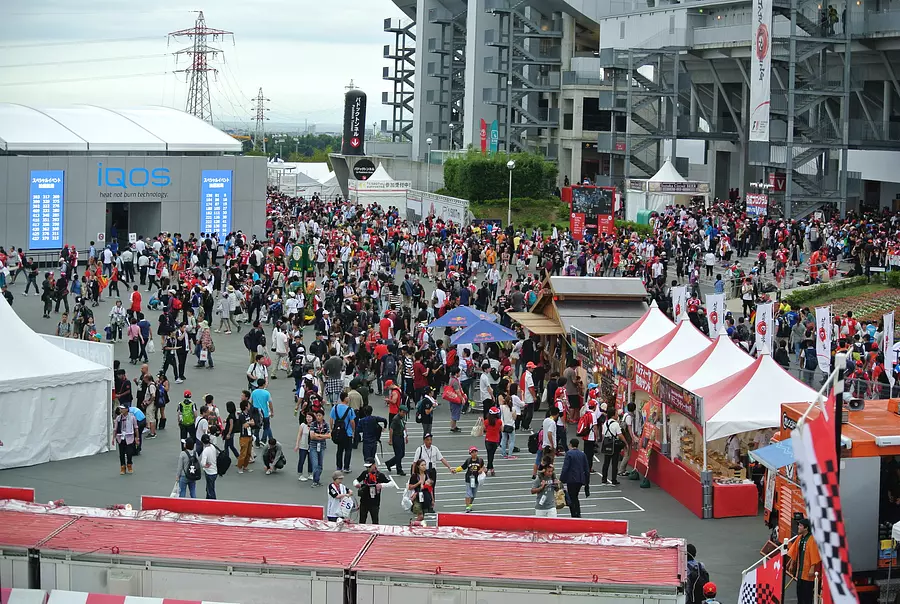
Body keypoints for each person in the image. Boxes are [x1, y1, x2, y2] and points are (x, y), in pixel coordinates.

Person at [787, 518, 822, 604]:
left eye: (800, 525)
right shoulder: (799, 538)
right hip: (800, 572)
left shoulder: (811, 540)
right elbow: (794, 551)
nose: (798, 527)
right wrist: (792, 563)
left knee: (807, 596)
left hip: (808, 574)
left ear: (806, 528)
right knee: (799, 594)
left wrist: (812, 568)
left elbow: (814, 555)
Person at [412, 433, 456, 498]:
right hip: (424, 471)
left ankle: (432, 503)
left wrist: (449, 467)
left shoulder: (435, 449)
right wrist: (413, 473)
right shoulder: (420, 449)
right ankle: (423, 503)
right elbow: (415, 462)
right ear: (424, 441)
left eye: (430, 440)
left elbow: (442, 459)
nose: (430, 441)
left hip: (432, 471)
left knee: (432, 487)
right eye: (428, 440)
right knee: (423, 487)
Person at [560, 438, 590, 518]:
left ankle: (574, 514)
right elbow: (586, 469)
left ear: (570, 445)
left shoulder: (569, 454)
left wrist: (561, 479)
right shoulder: (582, 454)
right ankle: (577, 513)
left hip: (571, 479)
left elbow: (565, 468)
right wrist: (587, 481)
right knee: (575, 496)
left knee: (571, 497)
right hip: (580, 479)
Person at [354, 459, 390, 524]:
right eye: (366, 467)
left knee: (375, 521)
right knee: (362, 521)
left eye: (369, 467)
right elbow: (356, 480)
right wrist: (357, 484)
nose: (368, 468)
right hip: (364, 501)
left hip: (374, 503)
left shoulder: (379, 475)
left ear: (374, 465)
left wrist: (382, 485)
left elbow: (391, 483)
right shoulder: (365, 473)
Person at [330, 392, 357, 472]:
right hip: (347, 432)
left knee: (339, 450)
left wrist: (331, 429)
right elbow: (352, 421)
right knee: (348, 450)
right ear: (345, 398)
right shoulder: (350, 409)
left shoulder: (335, 407)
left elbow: (331, 419)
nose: (349, 398)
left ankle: (339, 466)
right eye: (348, 397)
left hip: (338, 432)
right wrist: (353, 431)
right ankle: (346, 467)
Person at [600, 406, 627, 485]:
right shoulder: (615, 424)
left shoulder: (606, 423)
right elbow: (620, 435)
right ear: (613, 415)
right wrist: (625, 443)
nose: (617, 415)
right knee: (614, 463)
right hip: (614, 444)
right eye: (616, 413)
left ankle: (604, 479)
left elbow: (603, 434)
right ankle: (613, 480)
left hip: (606, 443)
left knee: (606, 462)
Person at [533, 406, 559, 479]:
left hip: (544, 445)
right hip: (550, 446)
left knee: (544, 461)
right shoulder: (552, 423)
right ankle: (549, 476)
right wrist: (552, 445)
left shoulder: (545, 420)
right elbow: (549, 433)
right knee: (550, 463)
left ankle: (543, 475)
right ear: (557, 414)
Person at [113, 404, 140, 475]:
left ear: (127, 409)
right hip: (120, 437)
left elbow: (136, 428)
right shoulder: (118, 418)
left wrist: (137, 438)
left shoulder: (132, 417)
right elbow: (115, 429)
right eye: (120, 409)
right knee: (121, 453)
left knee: (129, 452)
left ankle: (129, 464)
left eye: (123, 409)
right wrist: (113, 438)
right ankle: (122, 467)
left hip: (129, 437)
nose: (121, 410)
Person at [458, 446, 486, 513]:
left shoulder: (480, 460)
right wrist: (455, 470)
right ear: (470, 453)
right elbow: (462, 467)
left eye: (475, 452)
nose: (474, 453)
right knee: (468, 493)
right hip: (468, 479)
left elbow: (484, 467)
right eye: (472, 452)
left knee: (473, 495)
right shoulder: (468, 460)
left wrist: (481, 470)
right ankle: (467, 507)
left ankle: (470, 505)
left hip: (476, 480)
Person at [308, 408, 331, 487]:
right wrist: (323, 436)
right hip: (313, 446)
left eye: (319, 415)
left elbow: (329, 436)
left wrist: (318, 435)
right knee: (315, 464)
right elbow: (312, 436)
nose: (318, 417)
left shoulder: (326, 425)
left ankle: (317, 480)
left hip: (322, 447)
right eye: (317, 415)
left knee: (320, 465)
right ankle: (315, 481)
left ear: (323, 416)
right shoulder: (313, 424)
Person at [385, 406, 408, 475]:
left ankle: (389, 463)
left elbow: (404, 427)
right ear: (399, 411)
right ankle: (399, 469)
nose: (404, 414)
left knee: (402, 454)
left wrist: (406, 436)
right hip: (396, 437)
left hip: (401, 437)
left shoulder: (402, 418)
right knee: (398, 454)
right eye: (403, 412)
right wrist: (390, 440)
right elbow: (391, 429)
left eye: (405, 413)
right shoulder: (396, 419)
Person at [251, 378, 274, 444]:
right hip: (265, 413)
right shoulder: (266, 393)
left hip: (256, 413)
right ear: (264, 384)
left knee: (257, 428)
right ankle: (263, 440)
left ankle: (257, 442)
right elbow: (270, 403)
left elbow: (251, 402)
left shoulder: (254, 392)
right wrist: (272, 412)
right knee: (266, 427)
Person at [236, 400, 255, 474]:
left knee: (248, 453)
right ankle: (240, 467)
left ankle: (245, 466)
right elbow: (244, 425)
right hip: (244, 436)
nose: (250, 406)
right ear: (246, 407)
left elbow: (253, 423)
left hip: (250, 435)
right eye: (248, 405)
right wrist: (249, 423)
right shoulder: (241, 415)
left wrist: (249, 423)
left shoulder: (249, 414)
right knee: (243, 453)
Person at [483, 405, 502, 475]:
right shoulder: (499, 421)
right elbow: (501, 430)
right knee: (492, 455)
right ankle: (491, 469)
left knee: (489, 454)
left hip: (488, 440)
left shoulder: (486, 421)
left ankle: (489, 468)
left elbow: (484, 429)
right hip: (496, 440)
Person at [294, 412, 312, 481]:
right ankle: (300, 474)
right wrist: (297, 444)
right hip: (303, 445)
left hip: (311, 446)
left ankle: (310, 473)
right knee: (301, 460)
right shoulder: (303, 425)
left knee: (310, 460)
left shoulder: (314, 425)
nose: (308, 419)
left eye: (310, 417)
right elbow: (299, 435)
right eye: (307, 417)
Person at [499, 394, 518, 458]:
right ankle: (510, 454)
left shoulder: (502, 407)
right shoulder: (513, 408)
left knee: (504, 440)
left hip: (504, 426)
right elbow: (514, 418)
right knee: (512, 441)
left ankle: (503, 453)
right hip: (511, 426)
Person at [200, 434, 218, 498]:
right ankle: (208, 500)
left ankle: (213, 503)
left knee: (210, 490)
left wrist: (205, 466)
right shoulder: (213, 447)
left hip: (209, 472)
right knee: (209, 488)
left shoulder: (205, 451)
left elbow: (202, 463)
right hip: (214, 470)